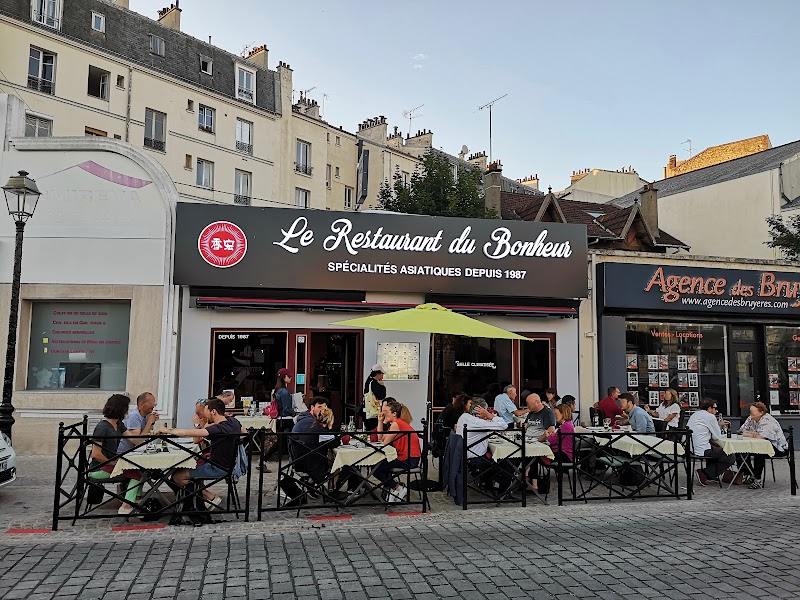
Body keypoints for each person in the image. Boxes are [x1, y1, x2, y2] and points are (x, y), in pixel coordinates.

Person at [160, 399, 243, 506]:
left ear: (213, 412)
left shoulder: (217, 429)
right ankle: (195, 499)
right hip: (229, 465)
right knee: (181, 468)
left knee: (177, 476)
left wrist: (167, 431)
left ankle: (210, 497)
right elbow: (244, 433)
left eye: (205, 411)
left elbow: (187, 433)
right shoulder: (234, 422)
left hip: (216, 467)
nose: (204, 414)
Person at [88, 394, 143, 515]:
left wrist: (150, 433)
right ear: (121, 408)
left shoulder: (119, 424)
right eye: (126, 407)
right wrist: (114, 463)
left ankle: (136, 500)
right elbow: (95, 454)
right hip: (98, 468)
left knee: (141, 471)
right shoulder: (103, 427)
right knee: (137, 474)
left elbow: (134, 440)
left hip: (110, 466)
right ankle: (127, 505)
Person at [373, 399, 422, 502]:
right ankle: (395, 488)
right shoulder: (397, 423)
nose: (383, 413)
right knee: (378, 466)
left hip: (408, 460)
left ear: (394, 413)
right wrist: (380, 421)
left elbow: (384, 443)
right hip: (408, 457)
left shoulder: (397, 424)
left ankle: (398, 488)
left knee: (377, 469)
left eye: (386, 411)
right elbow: (380, 438)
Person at [455, 398, 508, 489]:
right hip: (475, 458)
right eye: (486, 410)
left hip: (464, 455)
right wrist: (489, 415)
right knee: (507, 463)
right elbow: (504, 425)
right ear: (481, 411)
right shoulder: (477, 422)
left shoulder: (464, 417)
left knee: (498, 457)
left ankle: (488, 484)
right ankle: (503, 492)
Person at [738, 402, 789, 489]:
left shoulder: (767, 420)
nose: (750, 414)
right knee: (739, 450)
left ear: (761, 412)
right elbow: (741, 431)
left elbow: (761, 436)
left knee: (759, 452)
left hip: (778, 448)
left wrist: (750, 434)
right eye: (750, 411)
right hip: (759, 445)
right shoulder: (751, 418)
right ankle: (750, 473)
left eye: (753, 412)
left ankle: (758, 480)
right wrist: (753, 434)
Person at [688, 399, 738, 486]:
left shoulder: (695, 414)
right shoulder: (710, 417)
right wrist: (718, 426)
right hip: (702, 449)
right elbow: (717, 436)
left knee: (716, 449)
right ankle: (705, 473)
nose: (716, 410)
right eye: (715, 408)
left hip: (692, 447)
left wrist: (717, 425)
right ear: (709, 408)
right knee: (730, 455)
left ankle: (710, 475)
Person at [291, 405, 340, 488]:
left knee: (330, 458)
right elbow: (335, 443)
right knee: (338, 465)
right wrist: (330, 427)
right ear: (329, 419)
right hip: (313, 466)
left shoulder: (312, 426)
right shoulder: (322, 432)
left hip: (301, 461)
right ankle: (332, 491)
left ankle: (310, 484)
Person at [363, 364, 387, 431]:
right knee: (375, 433)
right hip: (374, 414)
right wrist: (382, 386)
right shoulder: (374, 383)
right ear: (377, 374)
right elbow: (381, 395)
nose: (382, 376)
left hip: (367, 413)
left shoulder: (368, 382)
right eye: (382, 374)